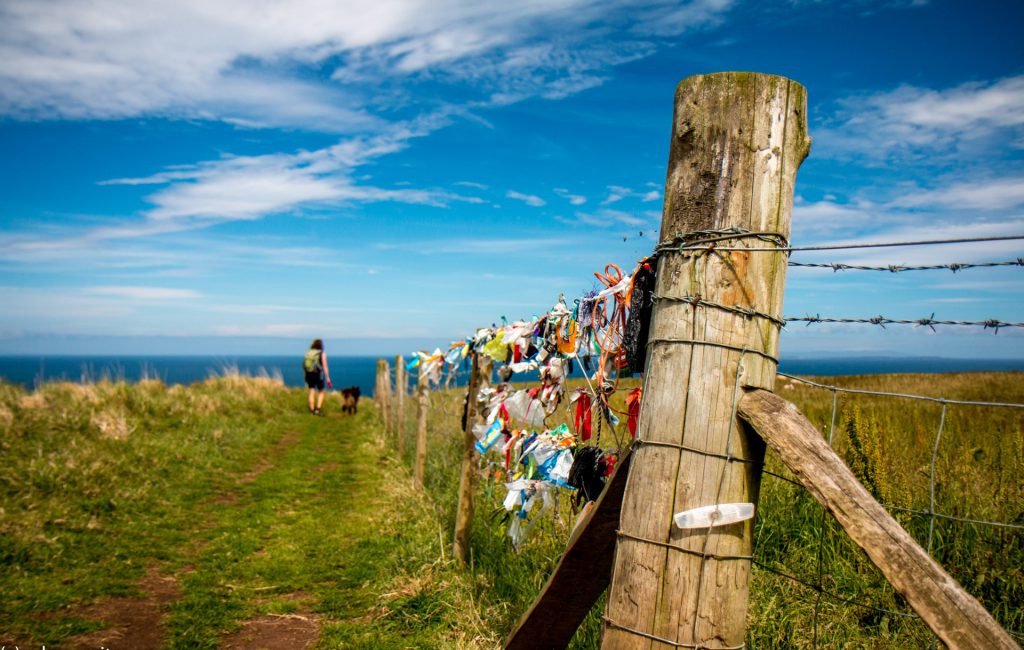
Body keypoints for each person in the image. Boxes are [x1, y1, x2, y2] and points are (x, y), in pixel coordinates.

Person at [303, 339, 332, 415]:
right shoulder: (322, 353)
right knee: (321, 391)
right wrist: (327, 377)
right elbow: (325, 366)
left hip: (309, 374)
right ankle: (317, 409)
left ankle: (311, 411)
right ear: (321, 346)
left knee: (311, 391)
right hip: (318, 374)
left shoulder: (308, 353)